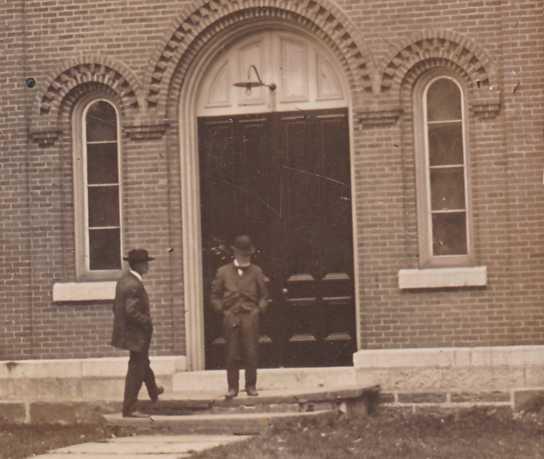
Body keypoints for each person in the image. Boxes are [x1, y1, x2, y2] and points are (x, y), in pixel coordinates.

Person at [210, 235, 270, 399]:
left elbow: (264, 296)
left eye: (248, 255)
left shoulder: (256, 271)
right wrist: (223, 311)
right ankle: (232, 387)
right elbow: (214, 296)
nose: (246, 258)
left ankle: (251, 386)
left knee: (251, 352)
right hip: (231, 316)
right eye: (243, 255)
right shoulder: (223, 272)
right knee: (231, 353)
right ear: (235, 254)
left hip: (250, 316)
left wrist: (258, 310)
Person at [111, 248, 164, 417]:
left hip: (131, 333)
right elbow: (131, 311)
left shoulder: (124, 281)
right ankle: (129, 408)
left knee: (142, 362)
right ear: (139, 265)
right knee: (136, 369)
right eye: (145, 263)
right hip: (136, 334)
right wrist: (146, 322)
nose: (147, 266)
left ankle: (153, 390)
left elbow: (116, 307)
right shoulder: (134, 284)